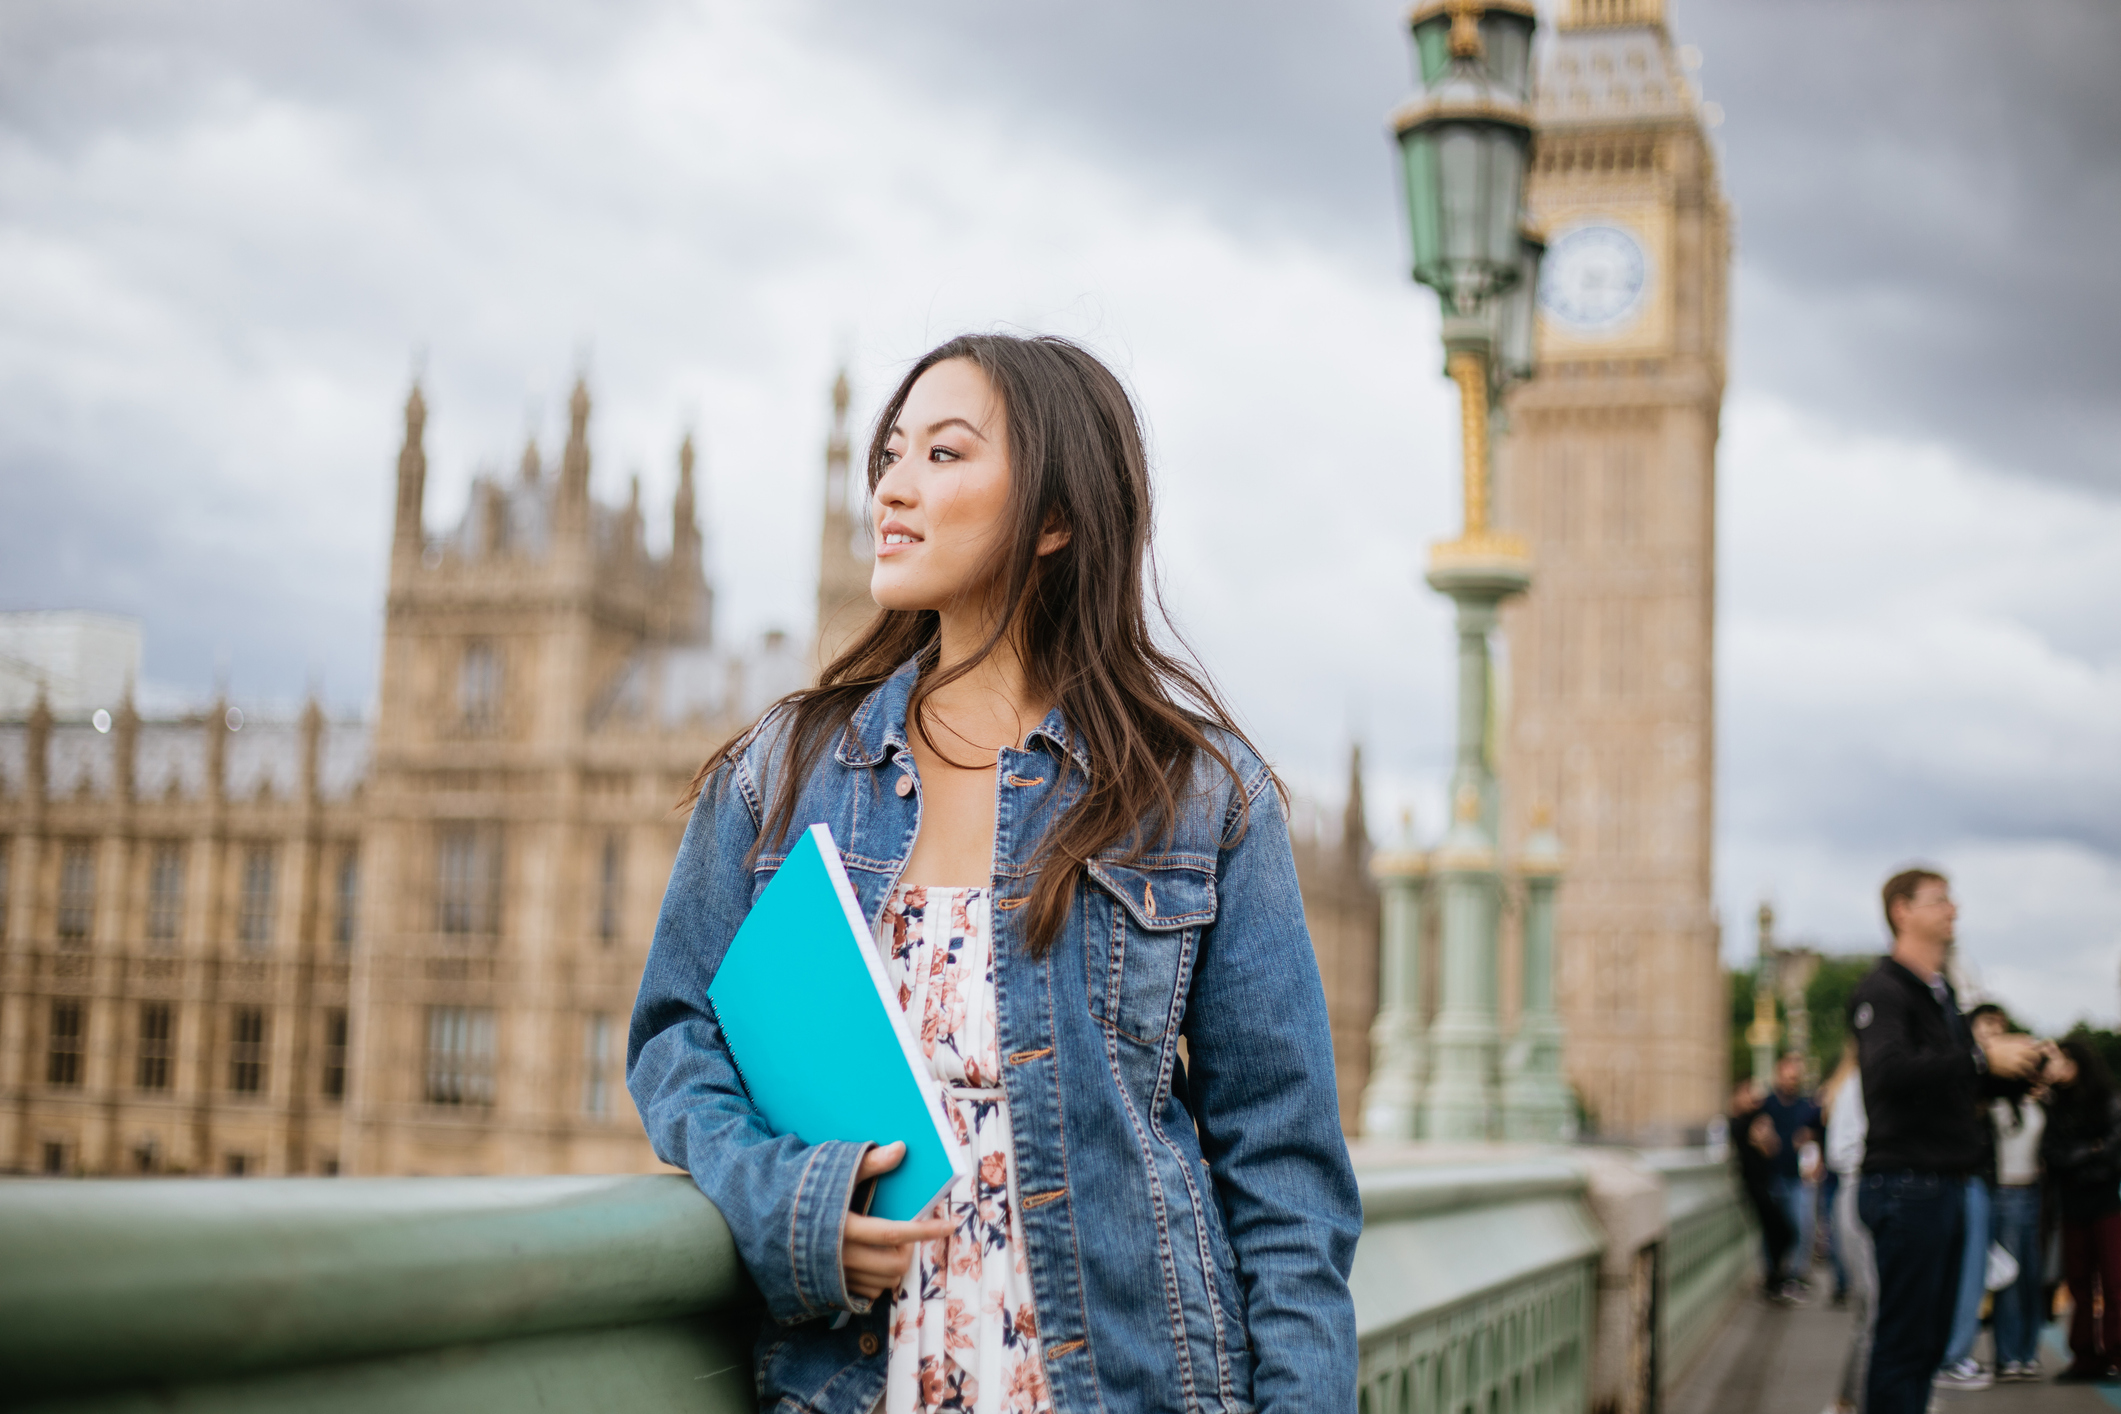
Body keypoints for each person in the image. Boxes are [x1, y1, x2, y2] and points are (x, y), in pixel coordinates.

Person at [626, 334, 1361, 1414]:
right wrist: (796, 1203)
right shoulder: (781, 771)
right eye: (887, 455)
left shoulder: (1200, 795)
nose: (892, 487)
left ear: (1055, 518)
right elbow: (675, 1041)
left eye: (944, 454)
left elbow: (1287, 1185)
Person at [1850, 868, 2042, 1414]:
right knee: (1905, 1340)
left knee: (1929, 1341)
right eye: (1939, 901)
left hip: (1941, 1184)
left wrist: (2020, 1070)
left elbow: (1950, 1078)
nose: (1953, 910)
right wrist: (1982, 1056)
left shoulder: (1939, 993)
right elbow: (1887, 1072)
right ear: (1901, 912)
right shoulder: (1882, 990)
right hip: (1909, 1184)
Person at [1934, 1003, 2011, 1390]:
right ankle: (1953, 1355)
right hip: (1964, 1180)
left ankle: (1953, 1353)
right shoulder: (1961, 1068)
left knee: (1966, 1273)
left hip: (1972, 1180)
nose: (1994, 1036)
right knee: (1965, 1274)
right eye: (1987, 1027)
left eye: (2000, 1030)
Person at [2040, 1038, 2121, 1382]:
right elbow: (2053, 1155)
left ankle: (2116, 1355)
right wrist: (2092, 1150)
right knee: (2078, 1285)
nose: (2055, 1067)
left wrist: (2080, 1156)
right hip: (2073, 1204)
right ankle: (2085, 1358)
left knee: (2115, 1283)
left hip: (2108, 1202)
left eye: (2063, 1060)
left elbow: (2113, 1153)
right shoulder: (2052, 1105)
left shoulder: (2109, 1099)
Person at [1985, 1013, 2047, 1382]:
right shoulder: (1993, 1101)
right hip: (2004, 1192)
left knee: (2033, 1279)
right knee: (2008, 1279)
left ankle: (2028, 1352)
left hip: (2034, 1193)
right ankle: (2008, 1354)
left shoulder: (2038, 1102)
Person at [1823, 1042, 1876, 1414]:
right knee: (1877, 1306)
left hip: (1860, 1192)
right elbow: (1840, 1153)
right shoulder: (1860, 1085)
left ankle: (1850, 1400)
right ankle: (1854, 1401)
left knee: (1874, 1308)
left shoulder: (1853, 1083)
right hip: (1863, 1192)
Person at [1760, 1052, 1824, 1296]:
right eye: (1788, 1074)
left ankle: (1795, 1275)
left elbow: (1820, 1133)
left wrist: (1814, 1146)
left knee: (1803, 1227)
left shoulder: (1807, 1106)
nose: (1792, 1080)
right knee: (1774, 1229)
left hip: (1799, 1177)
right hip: (1774, 1175)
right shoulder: (1767, 1104)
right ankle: (1774, 1276)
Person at [1731, 1078, 1798, 1303]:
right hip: (1754, 1186)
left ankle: (1775, 1278)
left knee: (1780, 1232)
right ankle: (1774, 1280)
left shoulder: (1758, 1118)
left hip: (1765, 1183)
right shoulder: (1735, 1123)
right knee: (1778, 1231)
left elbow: (1771, 1148)